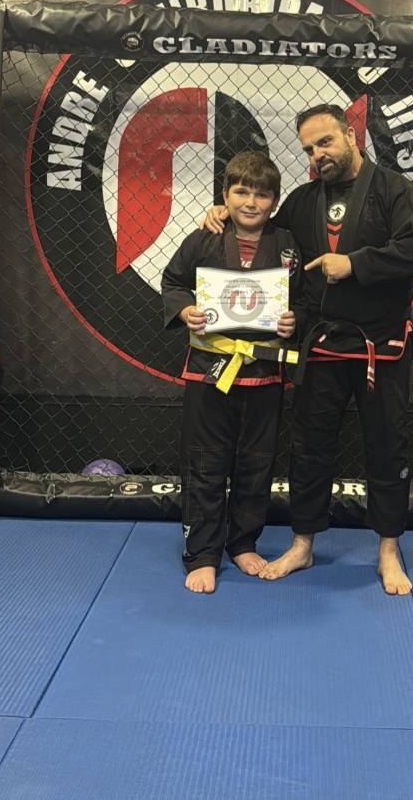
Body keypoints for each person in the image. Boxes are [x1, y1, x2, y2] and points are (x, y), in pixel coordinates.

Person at [204, 104, 413, 595]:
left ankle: (388, 552)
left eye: (325, 142)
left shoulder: (394, 190)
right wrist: (223, 214)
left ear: (351, 134)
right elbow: (265, 231)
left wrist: (354, 264)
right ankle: (302, 544)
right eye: (309, 148)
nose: (318, 154)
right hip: (322, 344)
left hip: (380, 345)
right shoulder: (304, 199)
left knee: (387, 446)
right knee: (309, 447)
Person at [162, 151, 301, 594]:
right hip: (210, 370)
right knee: (205, 461)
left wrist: (293, 320)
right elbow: (173, 281)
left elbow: (305, 296)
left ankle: (242, 543)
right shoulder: (204, 238)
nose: (251, 202)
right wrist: (184, 310)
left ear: (275, 201)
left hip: (264, 372)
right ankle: (203, 553)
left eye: (262, 195)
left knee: (257, 462)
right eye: (241, 192)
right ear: (225, 195)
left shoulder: (289, 244)